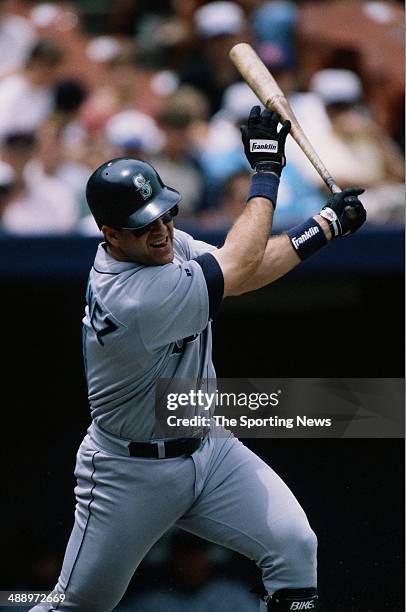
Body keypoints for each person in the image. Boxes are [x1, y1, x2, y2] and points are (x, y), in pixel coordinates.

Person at [30, 107, 366, 612]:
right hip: (129, 471)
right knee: (75, 605)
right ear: (110, 234)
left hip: (210, 447)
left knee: (295, 548)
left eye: (165, 214)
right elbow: (237, 261)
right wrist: (267, 174)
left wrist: (325, 224)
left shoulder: (161, 248)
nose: (162, 230)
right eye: (144, 225)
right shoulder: (135, 295)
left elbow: (243, 271)